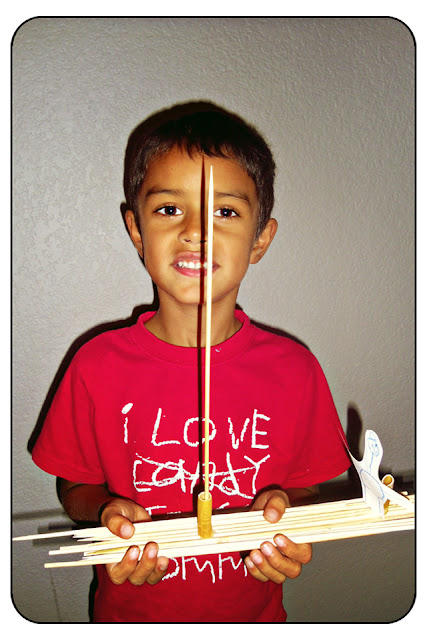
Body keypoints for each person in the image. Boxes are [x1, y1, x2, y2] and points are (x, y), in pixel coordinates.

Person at [32, 101, 350, 623]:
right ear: (137, 231)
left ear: (261, 239)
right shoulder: (95, 365)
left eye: (226, 212)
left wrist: (286, 515)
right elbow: (75, 486)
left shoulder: (296, 370)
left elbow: (306, 486)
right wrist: (107, 514)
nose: (197, 230)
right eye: (168, 209)